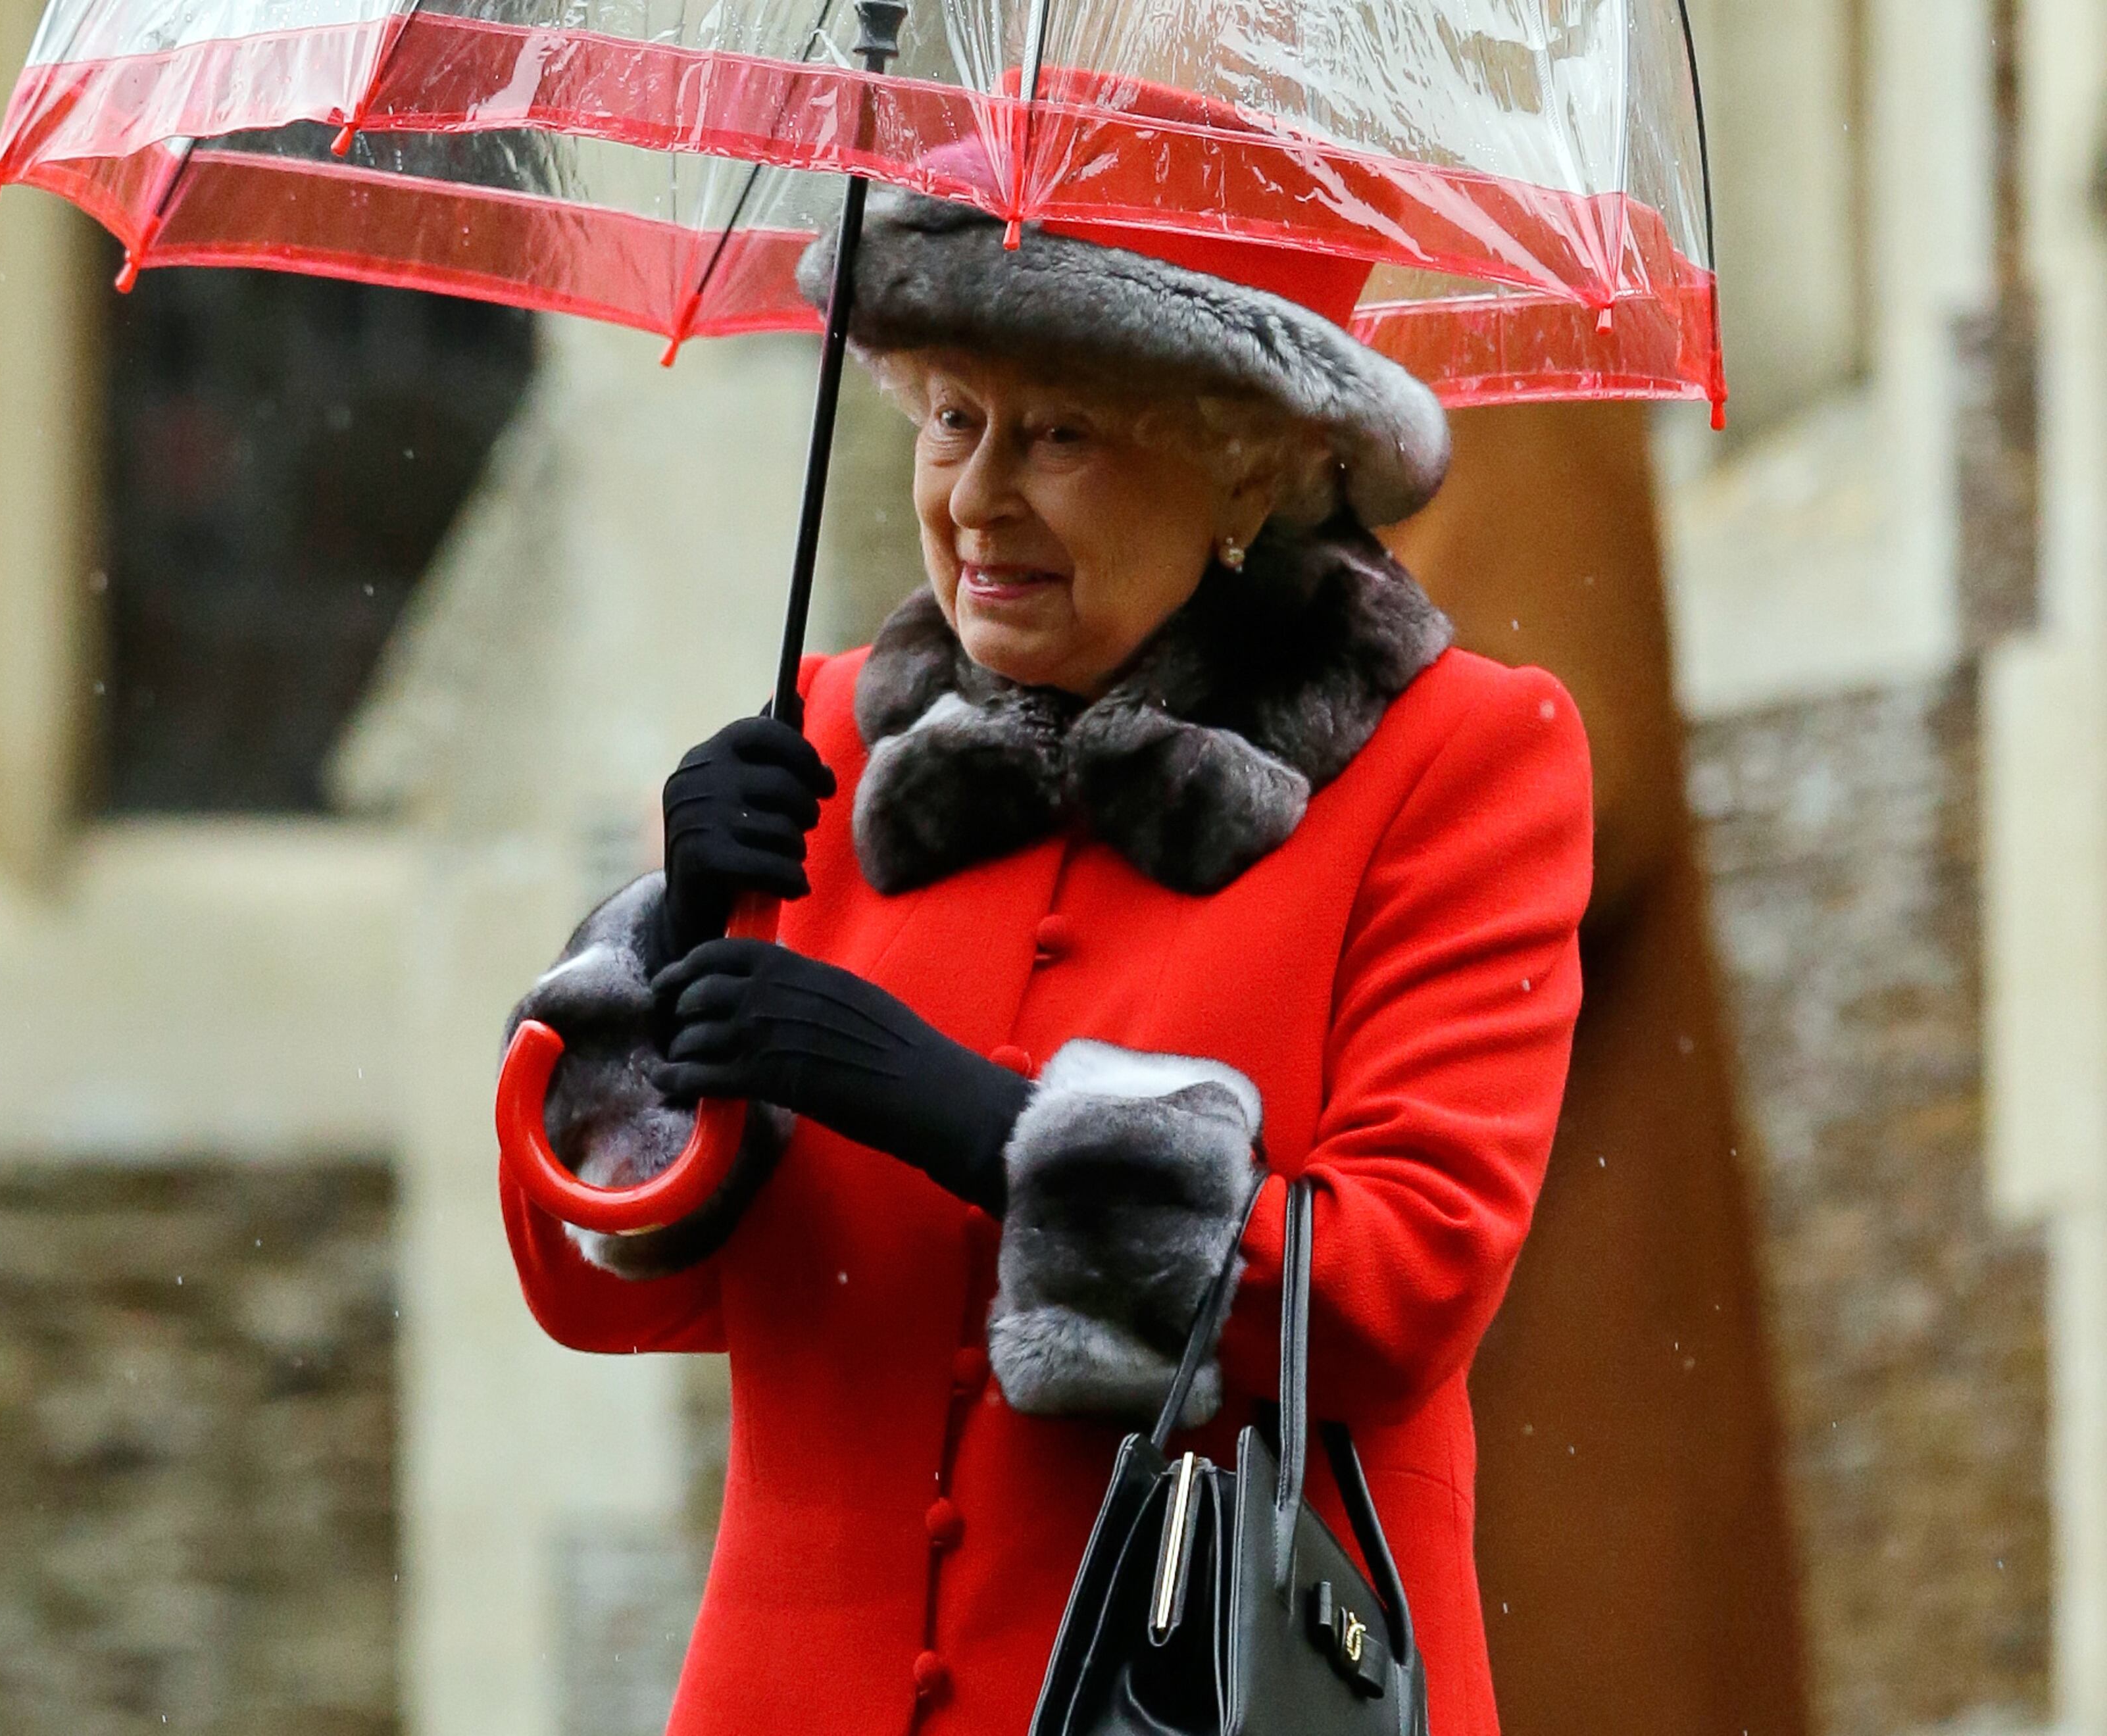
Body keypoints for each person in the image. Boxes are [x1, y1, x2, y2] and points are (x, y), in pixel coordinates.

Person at [498, 186, 1593, 1736]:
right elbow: (600, 1285)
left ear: (1247, 466)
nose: (975, 501)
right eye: (952, 420)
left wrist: (980, 1123)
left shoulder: (1458, 760)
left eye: (1061, 434)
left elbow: (1396, 1292)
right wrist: (660, 943)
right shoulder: (822, 742)